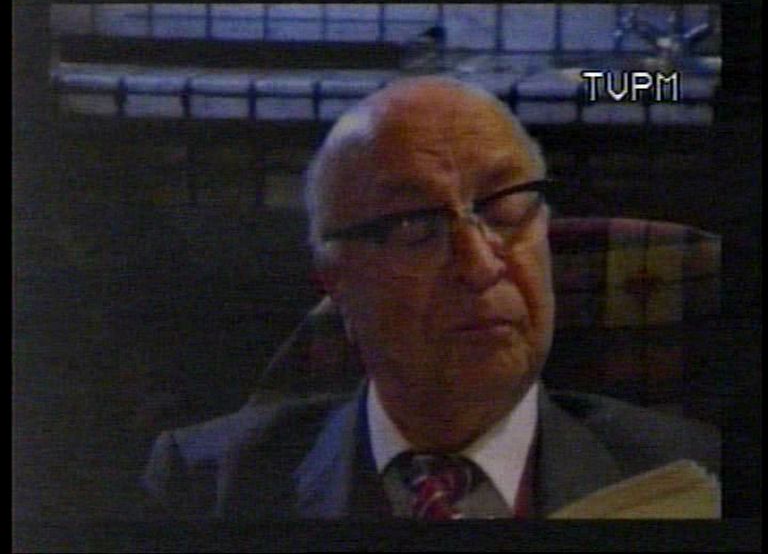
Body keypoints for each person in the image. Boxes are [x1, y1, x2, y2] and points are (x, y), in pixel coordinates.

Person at [142, 76, 719, 519]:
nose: (481, 265)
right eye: (413, 225)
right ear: (335, 280)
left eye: (505, 207)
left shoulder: (699, 475)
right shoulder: (203, 485)